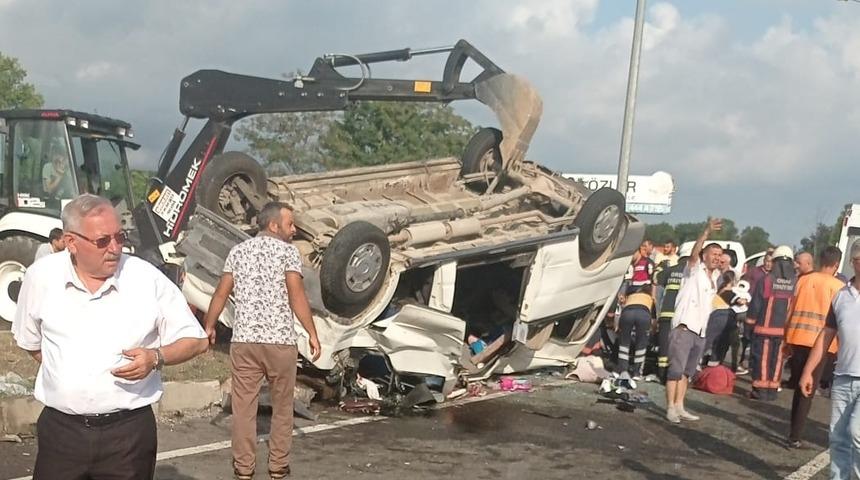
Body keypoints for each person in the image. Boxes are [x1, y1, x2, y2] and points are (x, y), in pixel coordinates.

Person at [11, 194, 208, 480]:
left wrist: (156, 357)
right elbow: (32, 344)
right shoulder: (41, 278)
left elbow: (197, 340)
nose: (115, 248)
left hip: (127, 437)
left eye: (120, 236)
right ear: (71, 242)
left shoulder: (145, 279)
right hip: (61, 435)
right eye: (103, 241)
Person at [203, 201, 322, 480]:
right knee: (282, 407)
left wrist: (209, 325)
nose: (294, 230)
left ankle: (243, 470)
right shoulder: (288, 254)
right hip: (280, 343)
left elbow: (221, 293)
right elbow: (296, 295)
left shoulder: (237, 252)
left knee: (244, 409)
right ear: (273, 225)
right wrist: (312, 333)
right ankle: (278, 467)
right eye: (290, 224)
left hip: (244, 342)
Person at [799, 239, 860, 479]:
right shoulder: (841, 296)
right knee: (838, 437)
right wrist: (808, 371)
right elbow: (826, 336)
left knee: (857, 432)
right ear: (855, 262)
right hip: (844, 376)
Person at [784, 246, 845, 448]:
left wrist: (786, 339)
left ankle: (794, 430)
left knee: (799, 386)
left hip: (798, 337)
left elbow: (790, 310)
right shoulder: (838, 287)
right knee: (808, 389)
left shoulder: (803, 280)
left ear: (819, 260)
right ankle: (795, 435)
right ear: (836, 264)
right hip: (821, 344)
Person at [665, 218, 723, 424]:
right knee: (676, 370)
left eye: (719, 255)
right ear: (704, 256)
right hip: (684, 327)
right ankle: (670, 407)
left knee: (687, 373)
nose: (717, 258)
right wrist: (706, 232)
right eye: (713, 254)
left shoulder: (714, 277)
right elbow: (694, 252)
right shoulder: (694, 269)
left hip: (700, 331)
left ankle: (680, 405)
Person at [748, 245, 797, 401]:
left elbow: (756, 304)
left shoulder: (767, 280)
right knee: (777, 361)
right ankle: (772, 390)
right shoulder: (795, 282)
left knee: (762, 358)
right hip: (783, 331)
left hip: (764, 328)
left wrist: (749, 324)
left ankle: (760, 391)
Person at [655, 253, 687, 383]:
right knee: (677, 346)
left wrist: (659, 267)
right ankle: (674, 374)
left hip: (666, 313)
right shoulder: (690, 274)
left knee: (664, 345)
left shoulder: (670, 270)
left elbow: (656, 279)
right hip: (680, 316)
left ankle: (661, 374)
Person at [615, 284, 656, 380]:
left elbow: (621, 309)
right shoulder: (650, 298)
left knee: (624, 343)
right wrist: (652, 332)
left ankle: (622, 370)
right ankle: (637, 373)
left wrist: (617, 326)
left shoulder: (631, 296)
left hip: (627, 313)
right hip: (643, 314)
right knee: (641, 343)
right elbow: (654, 320)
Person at [740, 252, 773, 369]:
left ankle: (754, 362)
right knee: (746, 336)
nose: (768, 264)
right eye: (767, 261)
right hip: (750, 307)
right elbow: (742, 285)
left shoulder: (774, 276)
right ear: (764, 261)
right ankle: (742, 359)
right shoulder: (754, 272)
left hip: (764, 311)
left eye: (771, 261)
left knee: (758, 339)